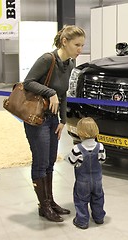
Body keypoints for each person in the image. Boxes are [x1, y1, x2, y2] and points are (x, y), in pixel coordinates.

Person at [23, 25, 86, 222]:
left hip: (52, 121)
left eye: (82, 45)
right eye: (77, 44)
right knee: (40, 163)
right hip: (37, 119)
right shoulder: (47, 59)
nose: (80, 49)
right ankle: (44, 206)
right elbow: (28, 82)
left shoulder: (71, 63)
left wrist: (63, 120)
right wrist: (49, 92)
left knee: (50, 163)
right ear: (64, 42)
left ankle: (50, 202)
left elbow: (63, 93)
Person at [68, 117, 106, 229]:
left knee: (81, 200)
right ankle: (99, 217)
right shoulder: (100, 146)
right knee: (98, 198)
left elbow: (72, 161)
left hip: (82, 181)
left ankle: (82, 221)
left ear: (80, 132)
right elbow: (102, 160)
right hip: (97, 180)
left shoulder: (77, 149)